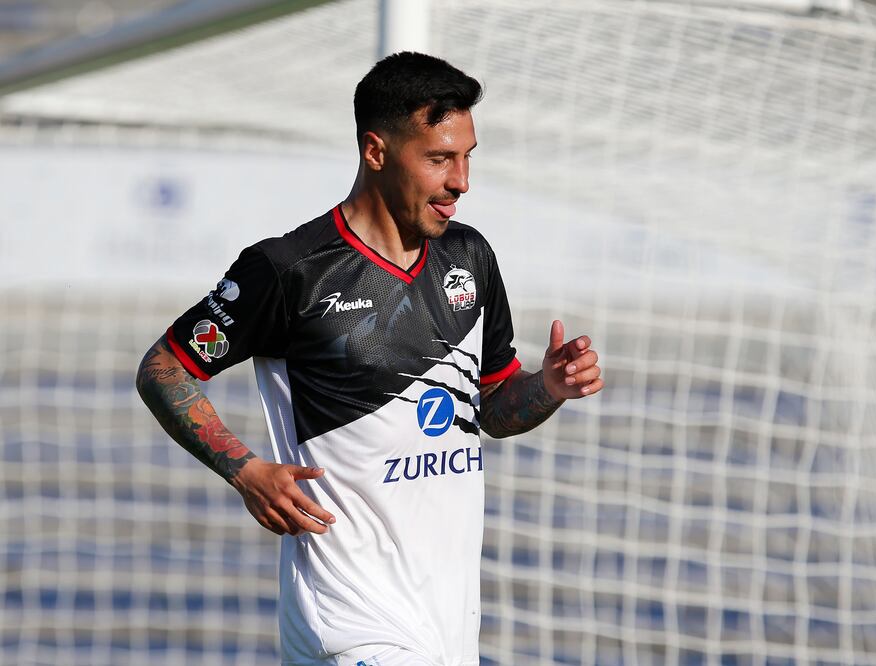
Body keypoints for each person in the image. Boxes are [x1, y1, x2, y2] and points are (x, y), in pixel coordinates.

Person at [135, 51, 603, 666]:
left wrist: (547, 386)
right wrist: (246, 471)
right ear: (375, 152)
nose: (461, 180)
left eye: (467, 157)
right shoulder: (287, 270)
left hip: (447, 620)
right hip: (348, 620)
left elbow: (492, 405)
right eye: (439, 159)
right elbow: (164, 369)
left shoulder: (470, 256)